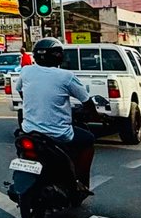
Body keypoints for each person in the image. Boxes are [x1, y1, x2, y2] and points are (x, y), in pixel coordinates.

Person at [17, 37, 96, 193]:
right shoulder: (66, 76)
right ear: (58, 56)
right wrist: (95, 116)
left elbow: (21, 91)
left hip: (29, 131)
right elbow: (86, 102)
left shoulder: (26, 71)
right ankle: (81, 182)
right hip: (58, 133)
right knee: (88, 140)